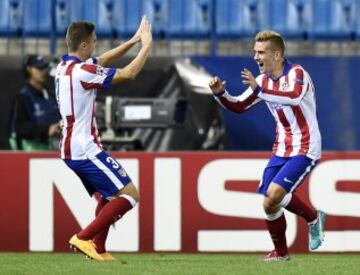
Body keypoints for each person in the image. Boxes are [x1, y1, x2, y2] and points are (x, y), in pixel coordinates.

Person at [209, 30, 326, 261]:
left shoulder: (297, 73)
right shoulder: (261, 81)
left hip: (305, 147)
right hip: (281, 148)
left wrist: (259, 90)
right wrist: (220, 94)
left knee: (274, 194)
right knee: (269, 204)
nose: (255, 57)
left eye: (261, 52)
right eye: (254, 52)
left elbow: (293, 97)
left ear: (277, 55)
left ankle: (313, 218)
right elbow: (239, 106)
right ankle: (281, 253)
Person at [55, 16, 152, 261]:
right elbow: (129, 74)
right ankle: (83, 237)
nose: (97, 46)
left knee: (110, 196)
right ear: (84, 46)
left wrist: (133, 40)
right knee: (130, 195)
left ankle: (98, 247)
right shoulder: (84, 72)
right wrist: (147, 46)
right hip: (84, 148)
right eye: (94, 42)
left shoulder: (63, 68)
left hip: (70, 149)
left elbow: (103, 60)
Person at [10, 55, 60, 151]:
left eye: (44, 67)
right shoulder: (22, 98)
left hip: (55, 149)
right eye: (38, 68)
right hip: (33, 152)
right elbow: (20, 128)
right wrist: (47, 129)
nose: (43, 71)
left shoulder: (52, 95)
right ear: (29, 69)